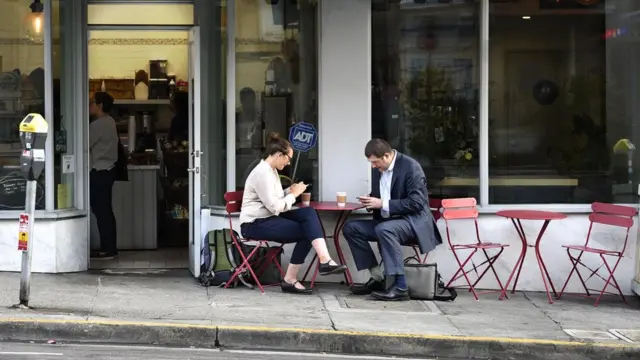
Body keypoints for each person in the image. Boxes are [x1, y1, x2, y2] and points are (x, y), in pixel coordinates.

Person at [240, 133, 347, 294]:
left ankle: (325, 259)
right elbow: (275, 207)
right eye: (288, 158)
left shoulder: (271, 170)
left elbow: (273, 199)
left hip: (267, 217)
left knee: (308, 213)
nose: (289, 162)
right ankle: (291, 279)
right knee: (306, 231)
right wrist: (294, 194)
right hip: (254, 224)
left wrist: (288, 191)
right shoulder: (262, 173)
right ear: (278, 155)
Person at [343, 139, 443, 301]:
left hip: (412, 222)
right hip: (386, 221)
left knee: (385, 229)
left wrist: (382, 203)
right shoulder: (378, 169)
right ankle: (377, 278)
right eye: (371, 163)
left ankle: (400, 287)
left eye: (375, 162)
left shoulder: (411, 167)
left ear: (387, 155)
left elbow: (417, 203)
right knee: (351, 228)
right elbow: (385, 196)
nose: (373, 166)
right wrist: (372, 202)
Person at [89, 92, 119, 260]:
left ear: (100, 105)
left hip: (99, 171)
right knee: (105, 210)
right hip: (108, 170)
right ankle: (109, 247)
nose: (89, 105)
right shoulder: (110, 122)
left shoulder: (97, 125)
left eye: (92, 102)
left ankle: (108, 249)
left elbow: (83, 143)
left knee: (102, 211)